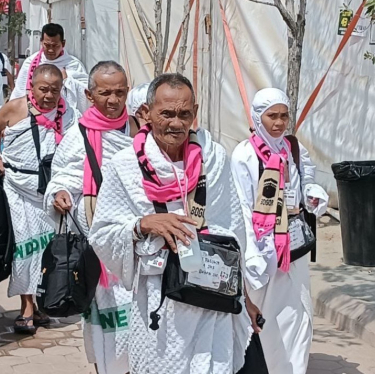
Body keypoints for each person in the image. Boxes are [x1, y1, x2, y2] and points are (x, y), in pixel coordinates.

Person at [87, 73, 258, 374]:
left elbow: (235, 233)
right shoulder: (124, 166)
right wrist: (143, 225)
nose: (176, 123)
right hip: (158, 303)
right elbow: (101, 233)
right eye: (166, 113)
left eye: (184, 114)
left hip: (212, 298)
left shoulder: (215, 159)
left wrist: (245, 296)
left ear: (195, 112)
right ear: (147, 113)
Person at [44, 61, 138, 374]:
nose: (113, 100)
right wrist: (59, 194)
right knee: (107, 321)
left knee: (141, 321)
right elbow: (62, 177)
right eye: (105, 93)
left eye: (120, 92)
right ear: (89, 94)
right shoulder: (77, 136)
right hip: (99, 246)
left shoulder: (140, 131)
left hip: (140, 244)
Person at [230, 88, 329, 374]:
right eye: (271, 116)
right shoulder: (244, 155)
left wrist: (312, 194)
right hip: (262, 247)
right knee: (264, 315)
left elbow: (305, 178)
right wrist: (253, 252)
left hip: (293, 245)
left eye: (284, 116)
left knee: (297, 313)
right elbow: (243, 208)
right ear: (258, 118)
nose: (278, 122)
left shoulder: (292, 148)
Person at [0, 64, 78, 334]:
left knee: (47, 250)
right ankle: (26, 306)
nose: (49, 95)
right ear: (32, 86)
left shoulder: (69, 114)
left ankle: (40, 302)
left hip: (51, 192)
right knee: (24, 247)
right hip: (17, 187)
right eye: (43, 89)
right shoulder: (16, 108)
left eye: (55, 90)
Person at [11, 23, 89, 113]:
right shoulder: (30, 63)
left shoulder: (74, 64)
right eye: (47, 45)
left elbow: (86, 94)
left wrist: (68, 81)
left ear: (63, 43)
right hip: (34, 114)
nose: (51, 50)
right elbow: (19, 92)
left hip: (65, 116)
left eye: (55, 46)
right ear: (41, 42)